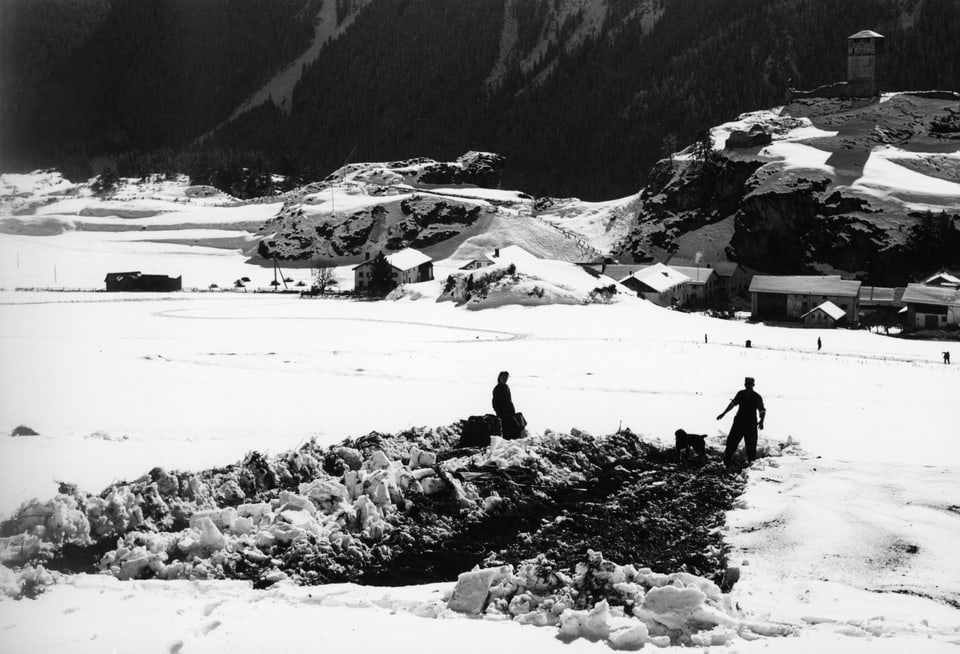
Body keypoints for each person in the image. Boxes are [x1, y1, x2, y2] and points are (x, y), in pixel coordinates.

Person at [717, 376, 766, 469]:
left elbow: (762, 410)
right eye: (747, 385)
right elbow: (733, 404)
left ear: (753, 385)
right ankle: (726, 463)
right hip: (739, 422)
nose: (748, 386)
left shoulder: (757, 397)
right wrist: (723, 413)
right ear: (745, 385)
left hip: (750, 424)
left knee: (751, 446)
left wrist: (762, 421)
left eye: (750, 385)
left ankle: (751, 467)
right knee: (731, 443)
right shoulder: (741, 394)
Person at [492, 371, 521, 439]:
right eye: (503, 377)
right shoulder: (497, 388)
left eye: (506, 377)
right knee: (506, 428)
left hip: (509, 411)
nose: (505, 379)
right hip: (502, 412)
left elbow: (509, 400)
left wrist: (512, 410)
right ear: (500, 378)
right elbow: (495, 402)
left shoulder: (506, 387)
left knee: (512, 427)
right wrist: (498, 412)